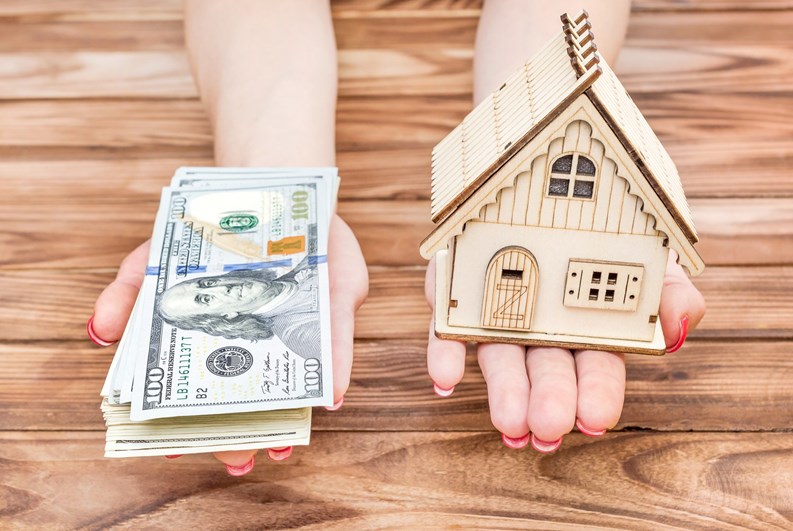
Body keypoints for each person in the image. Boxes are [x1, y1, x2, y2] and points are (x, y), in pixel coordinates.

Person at [87, 0, 705, 476]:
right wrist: (276, 174)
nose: (215, 292)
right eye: (205, 307)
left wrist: (536, 125)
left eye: (202, 290)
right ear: (222, 322)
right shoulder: (289, 320)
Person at [158, 257, 322, 355]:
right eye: (206, 299)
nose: (222, 288)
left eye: (207, 283)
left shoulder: (306, 262)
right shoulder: (299, 333)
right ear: (225, 316)